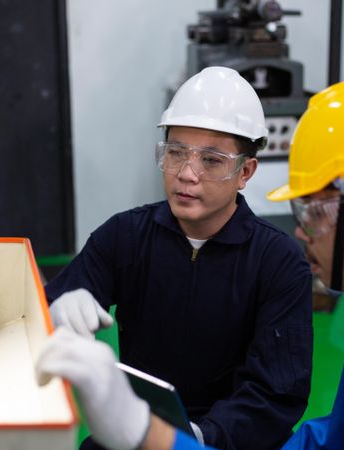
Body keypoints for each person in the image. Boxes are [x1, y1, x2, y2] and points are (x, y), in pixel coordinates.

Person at [37, 78, 344, 450]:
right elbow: (333, 441)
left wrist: (156, 435)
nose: (300, 231)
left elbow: (273, 399)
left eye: (313, 212)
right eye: (177, 152)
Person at [43, 66, 313, 450]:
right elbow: (42, 317)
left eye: (212, 160)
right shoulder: (125, 236)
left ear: (245, 172)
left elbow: (275, 394)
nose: (187, 174)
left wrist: (197, 439)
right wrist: (55, 311)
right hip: (133, 428)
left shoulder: (279, 263)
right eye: (176, 153)